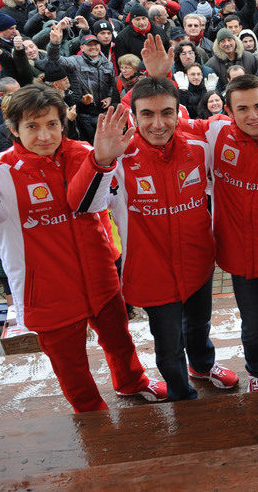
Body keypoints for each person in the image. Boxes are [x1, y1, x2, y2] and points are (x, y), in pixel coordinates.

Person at [0, 85, 165, 412]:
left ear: (63, 123)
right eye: (32, 126)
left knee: (119, 341)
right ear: (14, 130)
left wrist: (102, 160)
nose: (44, 135)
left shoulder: (84, 152)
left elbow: (91, 204)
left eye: (51, 124)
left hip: (99, 275)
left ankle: (132, 383)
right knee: (69, 362)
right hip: (46, 291)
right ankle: (89, 409)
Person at [140, 35, 258, 393]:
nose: (253, 116)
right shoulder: (215, 133)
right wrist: (160, 79)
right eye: (243, 109)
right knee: (251, 321)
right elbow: (160, 123)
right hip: (239, 251)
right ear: (227, 112)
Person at [100, 75, 238, 402]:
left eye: (167, 113)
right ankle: (180, 393)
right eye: (147, 114)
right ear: (132, 116)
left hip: (198, 262)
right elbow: (81, 202)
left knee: (200, 326)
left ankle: (203, 367)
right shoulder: (117, 158)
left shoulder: (199, 147)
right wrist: (100, 162)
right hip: (151, 273)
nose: (158, 123)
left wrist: (162, 73)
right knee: (169, 344)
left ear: (180, 114)